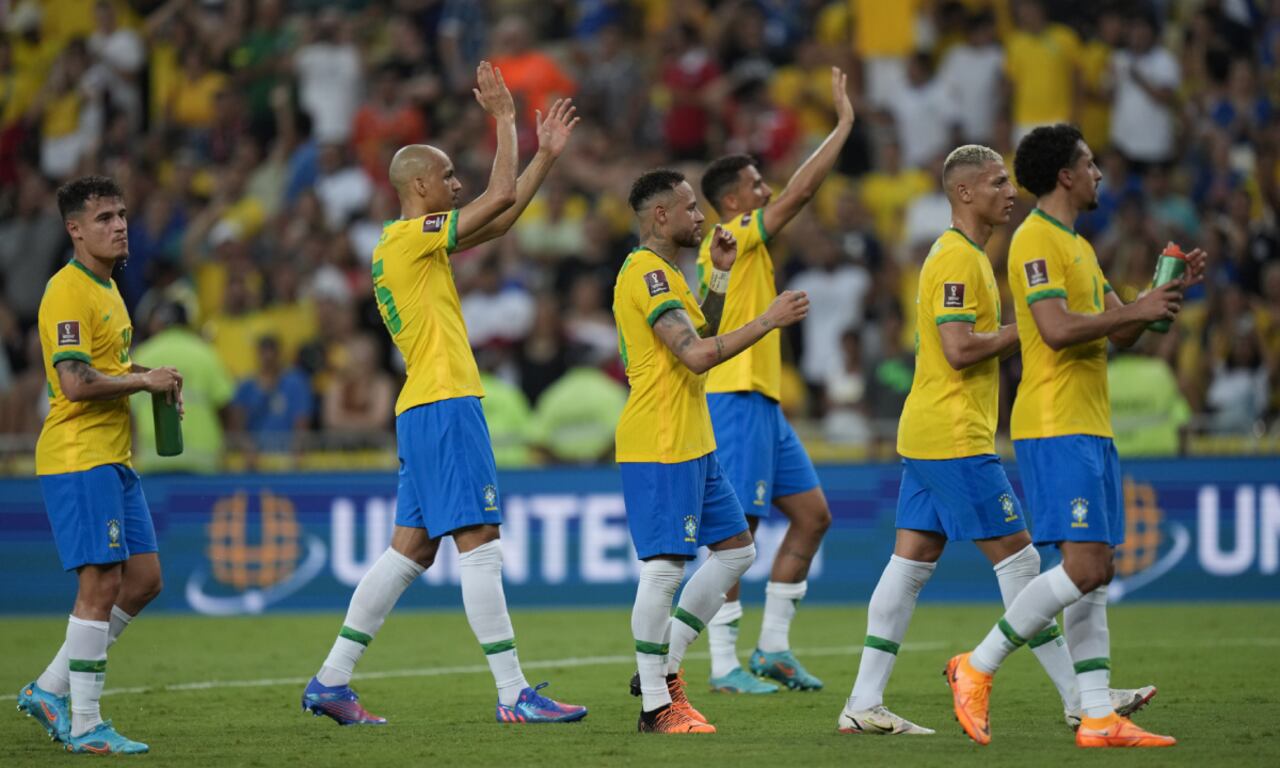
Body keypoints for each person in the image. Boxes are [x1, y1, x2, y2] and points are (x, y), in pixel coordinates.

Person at [301, 64, 586, 726]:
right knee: (479, 538)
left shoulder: (408, 249)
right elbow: (498, 196)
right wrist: (508, 121)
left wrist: (544, 157)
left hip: (424, 405)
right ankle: (513, 691)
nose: (458, 185)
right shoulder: (406, 241)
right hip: (444, 401)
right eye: (450, 177)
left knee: (412, 549)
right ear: (418, 185)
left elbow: (503, 216)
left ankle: (331, 680)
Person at [837, 145, 1153, 736]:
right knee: (1023, 560)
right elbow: (958, 348)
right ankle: (1081, 700)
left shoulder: (969, 257)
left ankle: (862, 702)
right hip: (954, 432)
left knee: (910, 564)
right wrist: (1026, 329)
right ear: (963, 193)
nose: (1010, 192)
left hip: (932, 429)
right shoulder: (957, 260)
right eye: (996, 182)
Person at [945, 124, 1206, 748]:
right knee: (1085, 567)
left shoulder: (1079, 247)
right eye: (1090, 165)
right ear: (1065, 175)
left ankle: (1096, 717)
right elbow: (1057, 329)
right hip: (1055, 423)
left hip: (1090, 424)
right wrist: (1134, 310)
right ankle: (976, 666)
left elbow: (1119, 333)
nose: (1098, 175)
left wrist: (1157, 297)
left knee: (1098, 570)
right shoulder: (1035, 240)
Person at [616, 169, 810, 733]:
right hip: (661, 438)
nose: (702, 218)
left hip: (693, 436)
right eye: (690, 209)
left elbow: (700, 331)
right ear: (660, 217)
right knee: (664, 570)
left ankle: (666, 663)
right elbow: (698, 356)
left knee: (737, 552)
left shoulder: (672, 275)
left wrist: (720, 278)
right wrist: (768, 320)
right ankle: (656, 705)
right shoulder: (646, 274)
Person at [693, 67, 852, 694]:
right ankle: (724, 665)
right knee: (741, 534)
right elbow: (803, 195)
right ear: (733, 200)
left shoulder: (747, 243)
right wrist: (842, 126)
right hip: (733, 396)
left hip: (763, 401)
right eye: (758, 184)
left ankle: (773, 650)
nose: (769, 190)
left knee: (813, 517)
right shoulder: (731, 234)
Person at [18, 176, 184, 754]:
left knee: (143, 580)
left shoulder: (109, 289)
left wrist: (149, 373)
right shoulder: (67, 290)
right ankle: (86, 726)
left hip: (113, 457)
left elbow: (104, 363)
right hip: (78, 455)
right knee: (101, 584)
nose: (119, 226)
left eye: (121, 215)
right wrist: (141, 381)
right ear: (75, 230)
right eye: (105, 218)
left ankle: (49, 688)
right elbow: (75, 381)